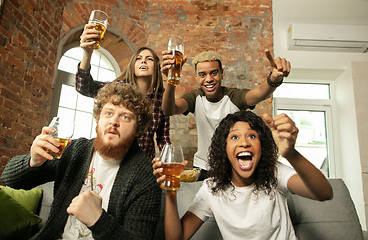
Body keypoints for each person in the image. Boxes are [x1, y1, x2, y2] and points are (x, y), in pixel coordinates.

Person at [1, 83, 162, 240]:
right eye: (108, 113)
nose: (114, 121)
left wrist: (98, 220)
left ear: (138, 130)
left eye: (125, 117)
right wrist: (33, 161)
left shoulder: (146, 176)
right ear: (98, 120)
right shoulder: (76, 151)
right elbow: (10, 180)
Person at [153, 110, 333, 240]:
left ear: (262, 146)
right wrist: (171, 189)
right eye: (234, 137)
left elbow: (324, 193)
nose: (244, 143)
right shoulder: (211, 189)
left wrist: (291, 154)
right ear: (224, 149)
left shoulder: (275, 173)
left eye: (252, 136)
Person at [161, 50, 291, 178]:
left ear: (222, 73)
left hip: (232, 167)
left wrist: (273, 79)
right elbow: (169, 110)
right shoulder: (195, 97)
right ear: (197, 77)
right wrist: (171, 79)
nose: (209, 79)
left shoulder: (233, 96)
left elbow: (258, 94)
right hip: (203, 167)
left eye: (214, 73)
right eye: (202, 75)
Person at [76, 23, 170, 159]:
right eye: (138, 59)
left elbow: (163, 137)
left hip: (143, 165)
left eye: (149, 59)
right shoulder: (117, 88)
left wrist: (168, 160)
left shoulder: (161, 98)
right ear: (132, 66)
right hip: (114, 159)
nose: (143, 61)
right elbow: (83, 87)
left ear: (156, 67)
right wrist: (87, 53)